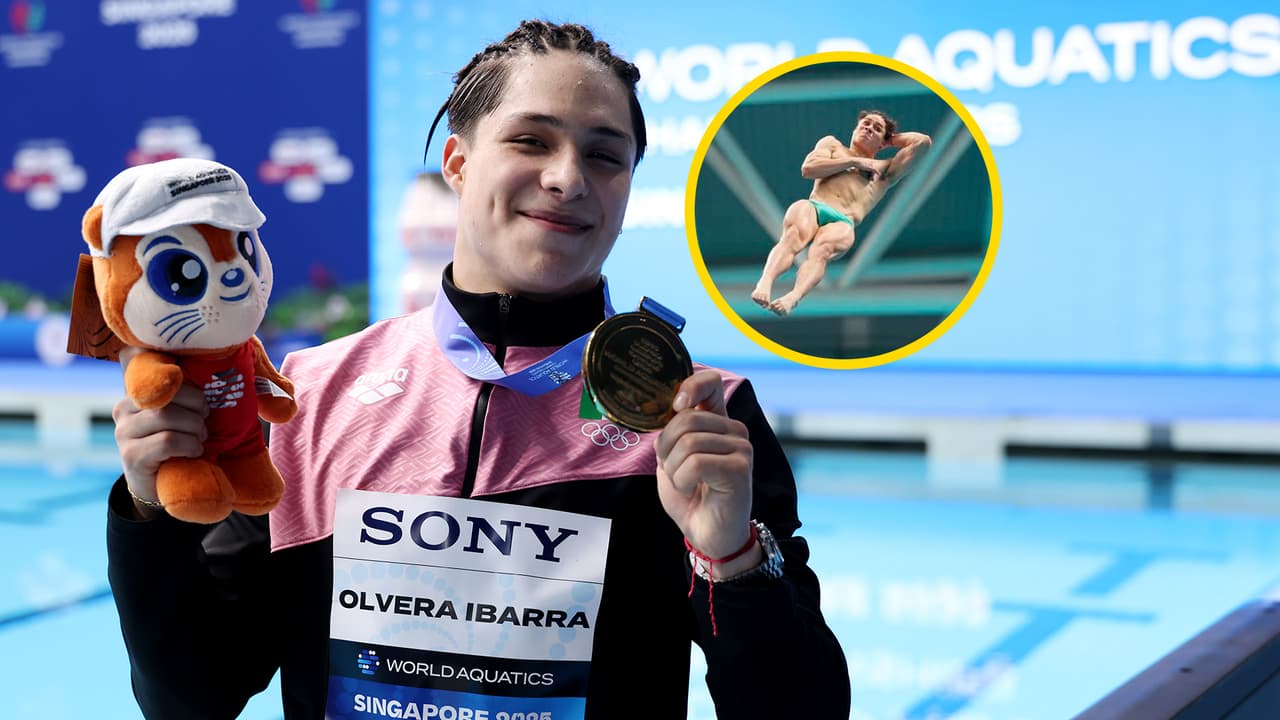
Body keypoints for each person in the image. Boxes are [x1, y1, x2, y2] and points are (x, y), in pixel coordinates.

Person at [106, 19, 850, 719]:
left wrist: (732, 559)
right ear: (458, 163)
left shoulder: (700, 416)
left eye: (604, 155)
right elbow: (193, 697)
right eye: (531, 140)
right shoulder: (307, 401)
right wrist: (148, 508)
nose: (568, 178)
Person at [751, 110, 932, 316]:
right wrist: (852, 162)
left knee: (821, 253)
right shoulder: (832, 145)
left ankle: (793, 297)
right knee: (792, 237)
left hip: (843, 220)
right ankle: (765, 282)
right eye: (866, 123)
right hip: (815, 206)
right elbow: (808, 169)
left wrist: (890, 139)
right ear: (855, 129)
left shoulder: (885, 170)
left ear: (883, 143)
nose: (869, 128)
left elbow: (923, 142)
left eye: (877, 128)